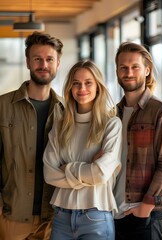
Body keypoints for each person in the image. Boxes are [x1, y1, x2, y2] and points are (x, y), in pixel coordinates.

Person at [43, 59, 122, 240]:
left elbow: (101, 173)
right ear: (70, 88)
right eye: (76, 83)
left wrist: (68, 168)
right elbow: (49, 174)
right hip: (61, 218)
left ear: (98, 87)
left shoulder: (111, 125)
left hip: (96, 218)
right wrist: (89, 168)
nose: (82, 88)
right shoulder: (60, 126)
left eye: (88, 83)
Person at [0, 31, 64, 240]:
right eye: (37, 59)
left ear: (58, 63)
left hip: (55, 218)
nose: (43, 64)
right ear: (27, 62)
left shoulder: (68, 111)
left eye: (49, 59)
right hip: (12, 216)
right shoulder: (2, 106)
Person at [114, 41, 162, 240]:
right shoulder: (114, 114)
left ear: (147, 70)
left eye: (135, 67)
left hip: (143, 216)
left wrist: (145, 207)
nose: (128, 72)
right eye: (123, 67)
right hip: (113, 214)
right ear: (117, 71)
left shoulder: (160, 111)